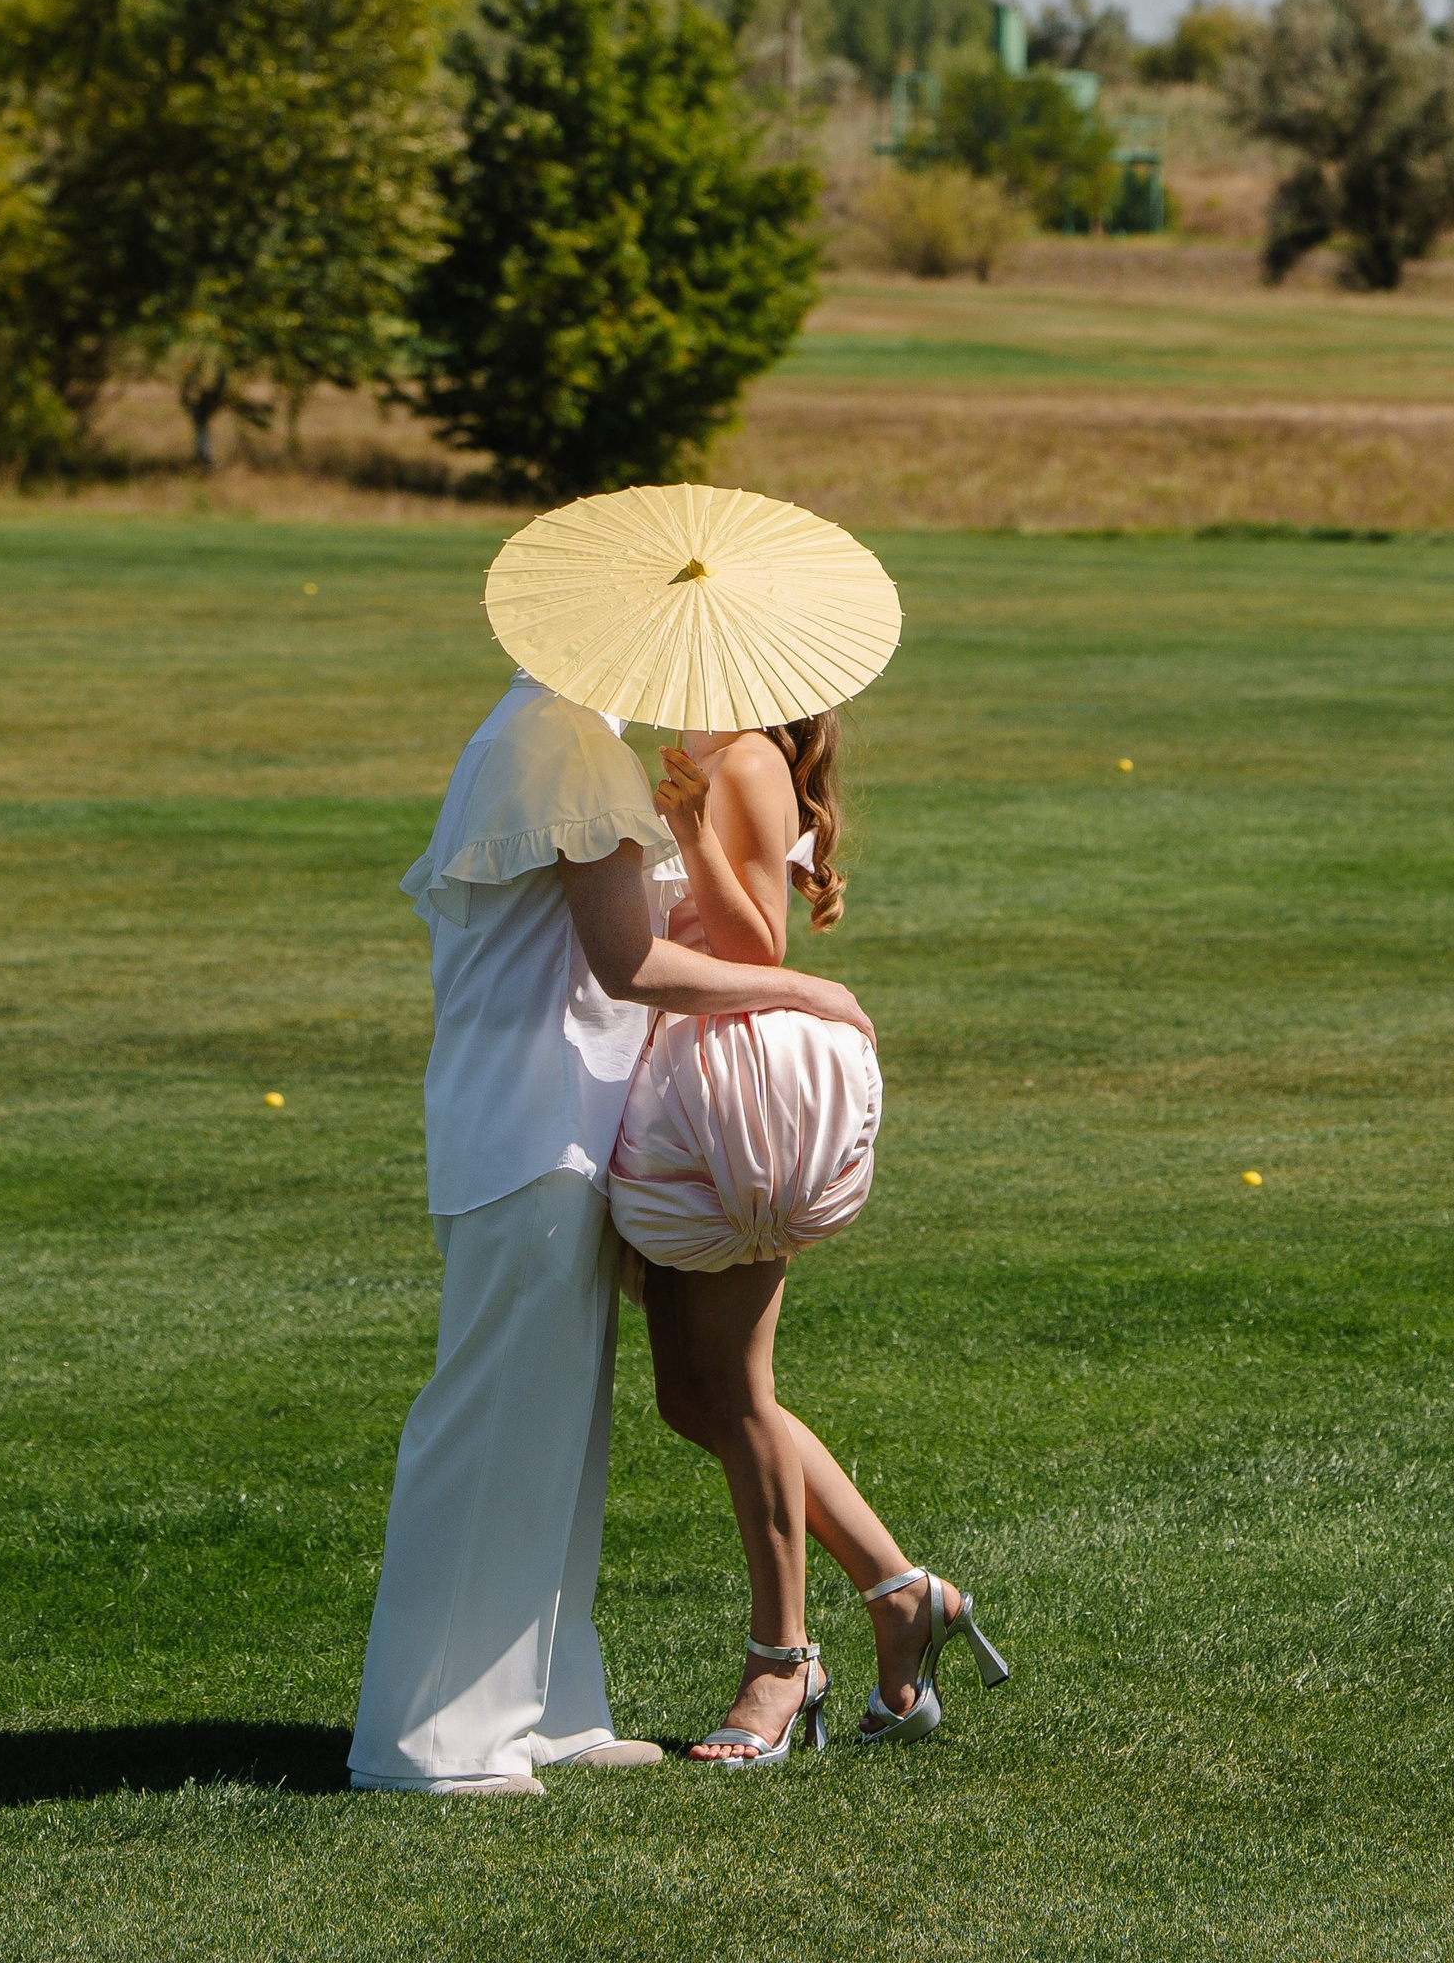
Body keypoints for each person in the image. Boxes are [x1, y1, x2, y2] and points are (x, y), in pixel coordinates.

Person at [348, 669, 879, 1796]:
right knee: (494, 1431)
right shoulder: (570, 746)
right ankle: (434, 1742)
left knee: (553, 1442)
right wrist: (805, 992)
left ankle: (547, 1710)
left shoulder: (548, 730)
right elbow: (626, 961)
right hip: (534, 1129)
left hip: (553, 1128)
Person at [609, 709, 1008, 1768]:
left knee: (732, 1394)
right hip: (690, 1105)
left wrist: (690, 828)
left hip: (733, 1111)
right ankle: (902, 1589)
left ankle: (782, 1660)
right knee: (698, 1396)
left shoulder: (741, 760)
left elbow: (755, 945)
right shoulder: (726, 758)